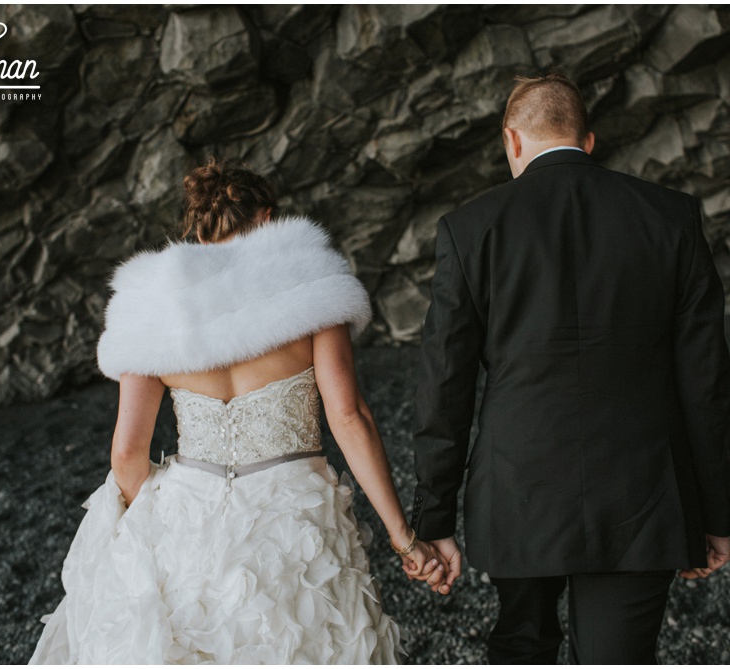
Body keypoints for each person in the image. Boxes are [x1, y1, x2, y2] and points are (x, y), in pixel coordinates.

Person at [29, 159, 446, 664]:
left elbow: (126, 453)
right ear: (268, 218)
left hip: (188, 516)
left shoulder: (153, 309)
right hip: (296, 521)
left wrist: (153, 530)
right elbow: (350, 418)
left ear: (199, 234)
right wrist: (405, 540)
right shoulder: (309, 287)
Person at [410, 73, 730, 664]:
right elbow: (707, 383)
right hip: (642, 496)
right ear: (589, 141)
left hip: (519, 495)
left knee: (522, 646)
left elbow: (444, 387)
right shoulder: (671, 218)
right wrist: (713, 513)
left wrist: (433, 515)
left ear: (512, 140)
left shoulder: (468, 230)